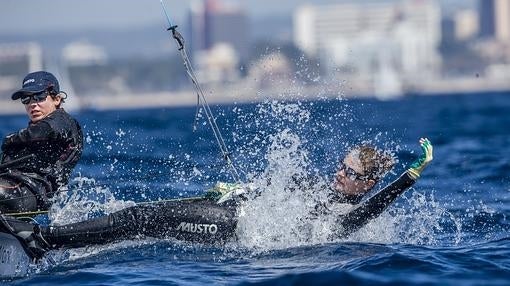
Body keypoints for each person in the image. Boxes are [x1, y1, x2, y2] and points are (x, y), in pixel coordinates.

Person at [0, 138, 433, 261]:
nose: (340, 174)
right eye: (341, 165)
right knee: (139, 221)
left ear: (369, 184)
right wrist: (242, 191)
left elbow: (368, 213)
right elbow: (282, 192)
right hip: (233, 212)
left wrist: (406, 180)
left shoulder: (351, 212)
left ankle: (44, 241)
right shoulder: (327, 189)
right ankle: (53, 241)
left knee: (140, 218)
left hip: (234, 229)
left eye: (351, 173)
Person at [0, 71, 83, 214]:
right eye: (26, 99)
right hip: (13, 187)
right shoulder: (36, 129)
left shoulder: (63, 121)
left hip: (29, 193)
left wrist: (11, 139)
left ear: (56, 99)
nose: (32, 104)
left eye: (39, 97)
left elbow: (48, 129)